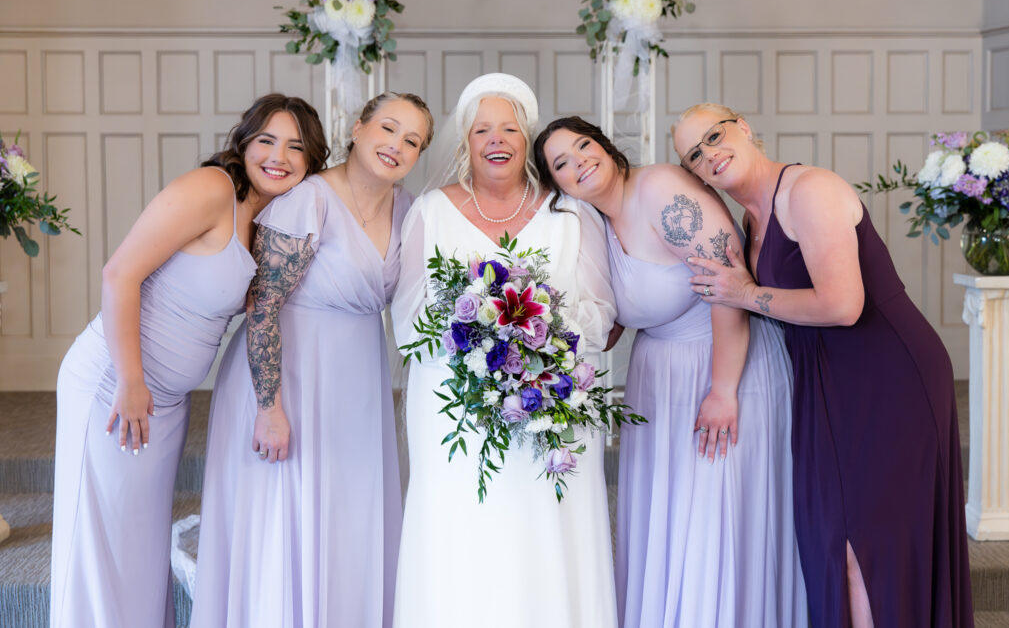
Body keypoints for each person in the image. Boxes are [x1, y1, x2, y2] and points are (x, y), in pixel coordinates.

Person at [676, 103, 974, 628]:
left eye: (715, 136)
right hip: (821, 385)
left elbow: (843, 306)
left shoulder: (808, 191)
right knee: (831, 543)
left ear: (744, 127)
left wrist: (746, 293)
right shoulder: (750, 218)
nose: (710, 155)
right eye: (695, 155)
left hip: (889, 379)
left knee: (867, 547)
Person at [50, 94, 327, 628]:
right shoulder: (212, 189)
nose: (279, 156)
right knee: (100, 541)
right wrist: (130, 380)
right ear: (243, 143)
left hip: (167, 403)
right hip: (115, 384)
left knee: (140, 545)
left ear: (311, 161)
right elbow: (119, 275)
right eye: (267, 140)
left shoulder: (268, 215)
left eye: (296, 147)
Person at [534, 116, 807, 628]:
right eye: (562, 164)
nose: (580, 163)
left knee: (715, 522)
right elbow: (612, 316)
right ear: (557, 185)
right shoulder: (589, 223)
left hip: (724, 364)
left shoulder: (659, 188)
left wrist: (723, 390)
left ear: (607, 145)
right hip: (658, 381)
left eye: (584, 145)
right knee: (673, 521)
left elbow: (727, 282)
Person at [188, 91, 433, 628]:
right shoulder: (310, 200)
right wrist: (269, 406)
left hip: (359, 380)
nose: (396, 145)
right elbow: (263, 304)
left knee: (348, 519)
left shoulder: (410, 209)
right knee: (286, 520)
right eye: (388, 128)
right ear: (359, 127)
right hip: (287, 378)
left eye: (412, 140)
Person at [390, 74, 618, 627]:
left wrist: (534, 338)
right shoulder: (430, 211)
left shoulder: (571, 214)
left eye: (510, 128)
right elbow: (409, 321)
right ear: (465, 143)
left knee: (547, 530)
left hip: (552, 401)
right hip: (456, 406)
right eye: (482, 129)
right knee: (464, 528)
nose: (497, 139)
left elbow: (601, 311)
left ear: (527, 138)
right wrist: (483, 334)